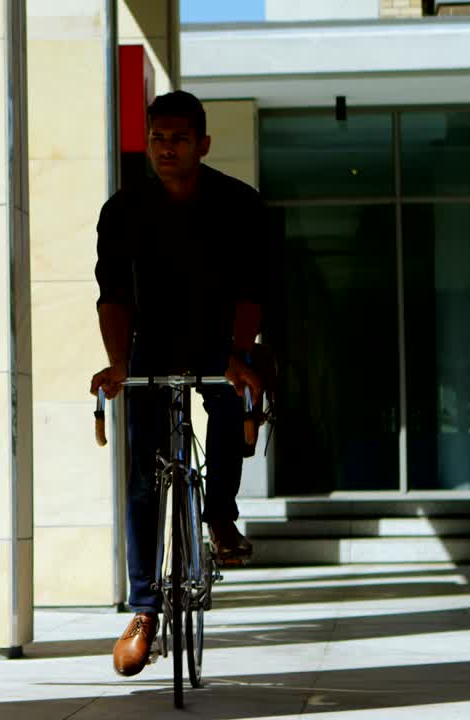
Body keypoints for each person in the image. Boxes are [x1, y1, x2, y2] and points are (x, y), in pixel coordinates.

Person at [89, 91, 269, 677]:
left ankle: (218, 513)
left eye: (180, 139)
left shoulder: (238, 205)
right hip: (153, 339)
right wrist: (118, 363)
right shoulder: (124, 210)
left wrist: (239, 353)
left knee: (230, 395)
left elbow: (252, 289)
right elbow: (113, 293)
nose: (167, 149)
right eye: (158, 139)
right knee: (144, 473)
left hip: (222, 336)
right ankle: (144, 609)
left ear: (203, 144)